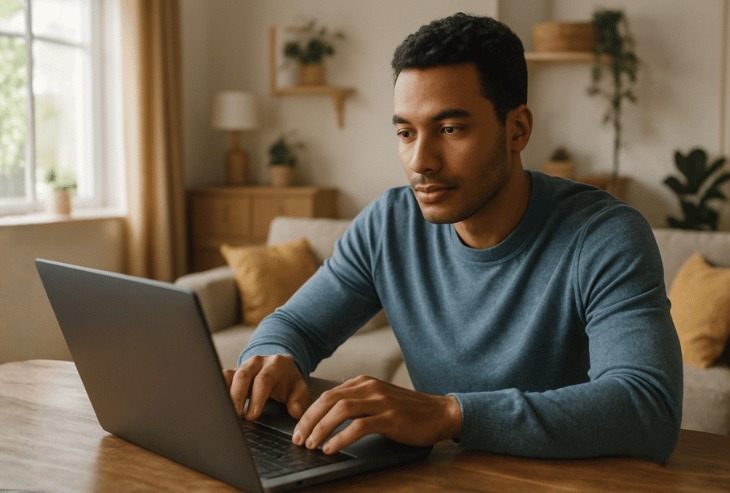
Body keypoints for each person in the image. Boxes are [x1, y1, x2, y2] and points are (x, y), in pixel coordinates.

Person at [225, 12, 682, 463]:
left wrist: (449, 414)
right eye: (406, 132)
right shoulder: (388, 224)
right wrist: (271, 358)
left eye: (450, 129)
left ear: (517, 129)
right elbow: (296, 326)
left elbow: (646, 406)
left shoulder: (605, 234)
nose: (421, 161)